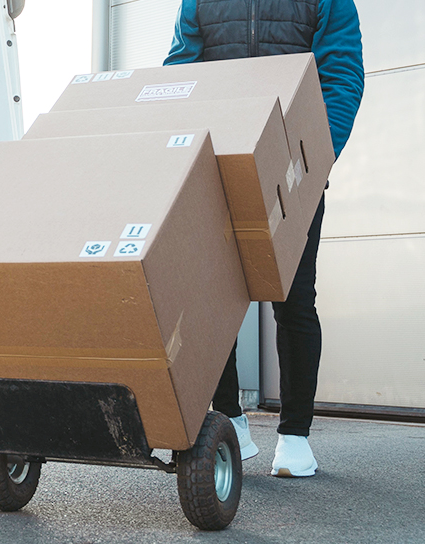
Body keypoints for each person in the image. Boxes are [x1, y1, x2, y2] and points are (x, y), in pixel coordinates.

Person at [165, 0, 364, 477]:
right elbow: (181, 72)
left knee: (292, 300)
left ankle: (294, 436)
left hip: (294, 173)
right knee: (214, 301)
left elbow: (341, 77)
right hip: (215, 169)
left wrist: (315, 158)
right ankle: (230, 416)